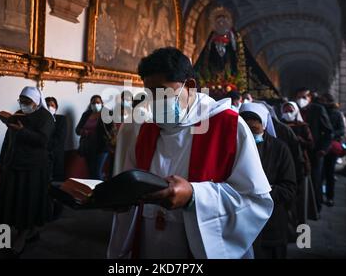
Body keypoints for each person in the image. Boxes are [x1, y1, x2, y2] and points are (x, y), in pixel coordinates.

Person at [107, 47, 273, 259]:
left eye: (163, 92)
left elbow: (255, 201)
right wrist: (114, 197)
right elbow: (131, 183)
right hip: (149, 243)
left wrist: (194, 196)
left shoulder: (229, 127)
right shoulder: (145, 129)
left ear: (191, 87)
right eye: (150, 93)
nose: (156, 102)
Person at [0, 86, 55, 255]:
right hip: (12, 164)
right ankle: (4, 240)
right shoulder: (18, 114)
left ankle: (23, 236)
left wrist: (23, 131)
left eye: (26, 102)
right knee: (7, 204)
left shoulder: (46, 117)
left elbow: (43, 141)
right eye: (20, 101)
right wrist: (1, 160)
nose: (23, 104)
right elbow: (8, 139)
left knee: (26, 204)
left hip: (32, 168)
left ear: (36, 102)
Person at [240, 103, 297, 259]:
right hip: (241, 224)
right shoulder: (234, 146)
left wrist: (261, 191)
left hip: (271, 226)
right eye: (244, 129)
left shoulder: (280, 149)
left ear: (264, 126)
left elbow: (289, 189)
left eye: (254, 130)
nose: (249, 135)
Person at [295, 88, 333, 212]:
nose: (301, 100)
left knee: (315, 180)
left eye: (304, 97)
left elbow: (328, 131)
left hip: (315, 151)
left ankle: (316, 207)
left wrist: (323, 149)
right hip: (299, 152)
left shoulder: (318, 109)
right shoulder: (294, 109)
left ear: (310, 98)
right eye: (299, 97)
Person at [281, 101, 315, 223]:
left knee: (300, 195)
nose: (288, 113)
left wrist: (300, 140)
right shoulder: (280, 126)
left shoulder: (302, 126)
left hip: (299, 163)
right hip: (284, 163)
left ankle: (299, 221)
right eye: (285, 111)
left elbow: (311, 144)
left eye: (290, 111)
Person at [76, 95, 115, 180]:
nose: (95, 104)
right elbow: (77, 129)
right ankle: (92, 192)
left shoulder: (107, 114)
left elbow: (111, 130)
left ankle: (100, 192)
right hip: (87, 148)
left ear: (102, 103)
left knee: (97, 172)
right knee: (90, 172)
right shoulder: (86, 114)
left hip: (101, 147)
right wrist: (84, 132)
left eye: (98, 102)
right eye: (93, 103)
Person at [321, 93, 346, 207]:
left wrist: (331, 135)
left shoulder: (336, 114)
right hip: (323, 146)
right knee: (322, 174)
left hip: (331, 147)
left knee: (329, 173)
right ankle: (322, 196)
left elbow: (341, 130)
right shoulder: (321, 112)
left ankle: (329, 197)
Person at [45, 97, 67, 182]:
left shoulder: (61, 120)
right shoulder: (40, 121)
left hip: (56, 156)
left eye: (52, 105)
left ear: (56, 107)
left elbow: (59, 138)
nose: (50, 107)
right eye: (47, 105)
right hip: (43, 158)